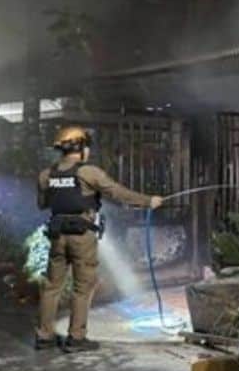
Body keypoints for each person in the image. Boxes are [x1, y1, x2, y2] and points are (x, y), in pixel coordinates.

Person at [36, 126, 163, 353]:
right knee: (83, 287)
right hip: (82, 235)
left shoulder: (46, 175)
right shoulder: (89, 172)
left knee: (51, 286)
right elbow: (117, 192)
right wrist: (148, 201)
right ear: (80, 148)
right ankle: (76, 338)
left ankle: (44, 337)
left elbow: (42, 204)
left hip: (57, 235)